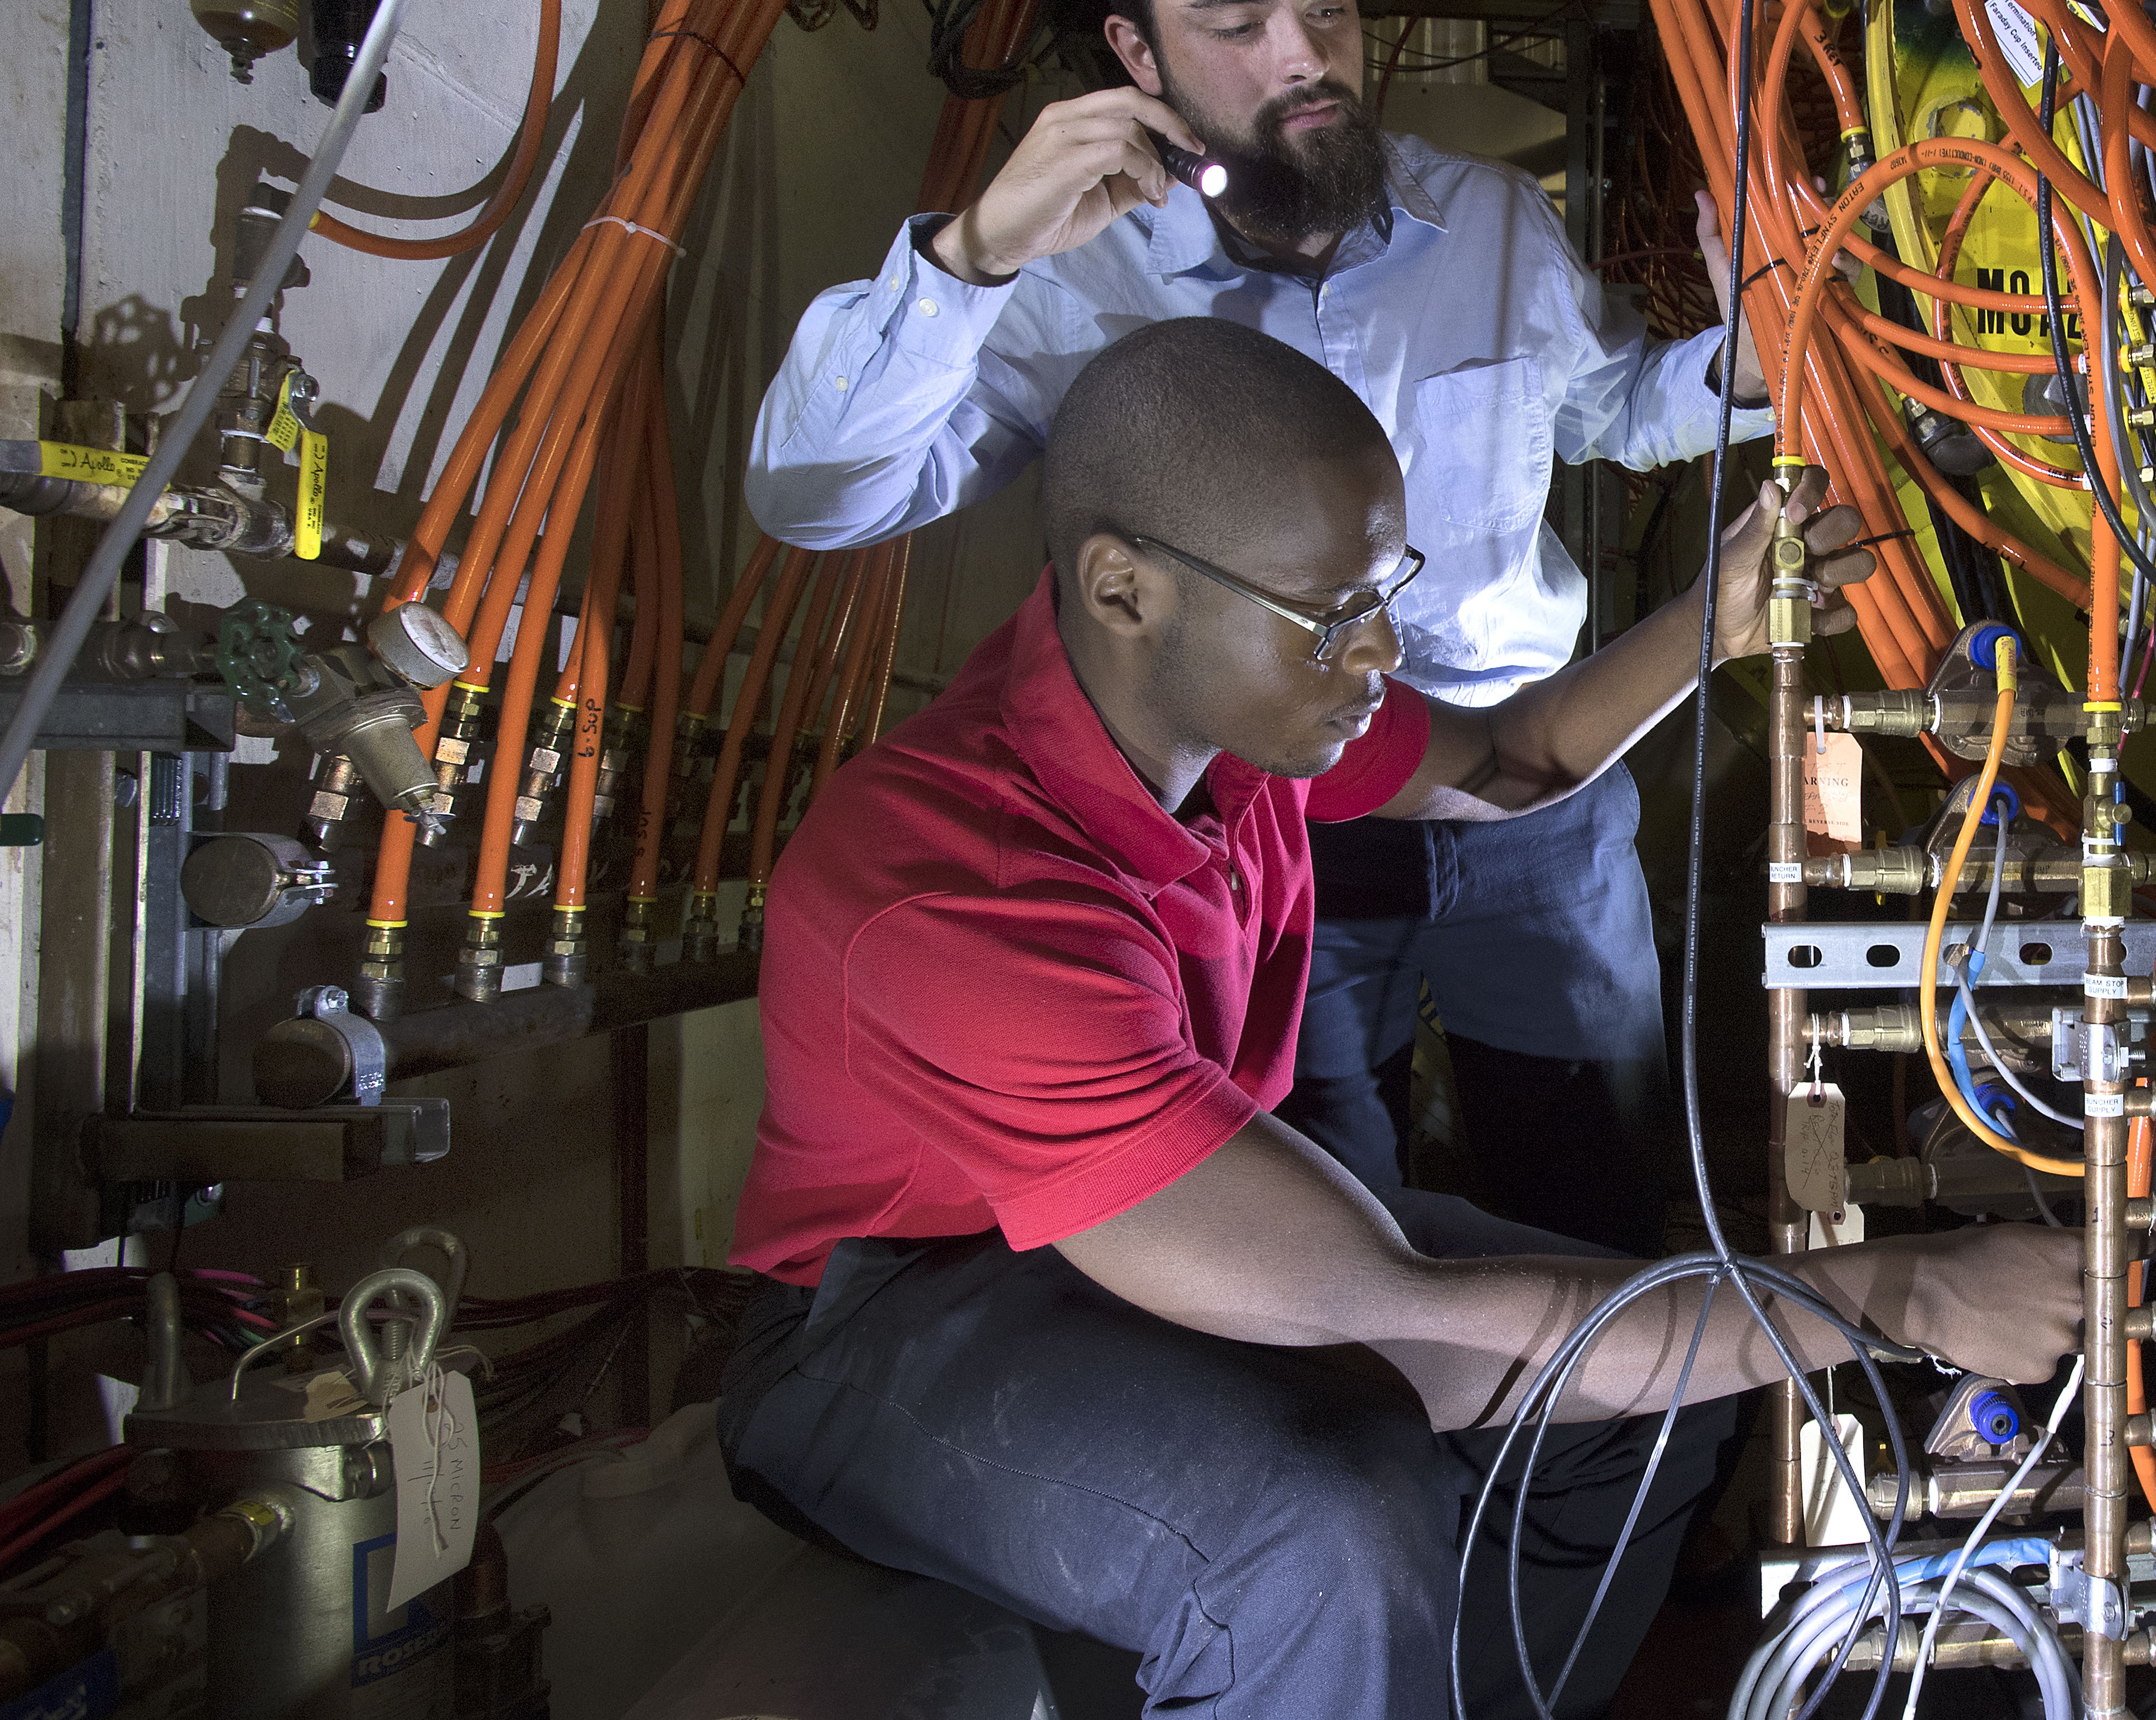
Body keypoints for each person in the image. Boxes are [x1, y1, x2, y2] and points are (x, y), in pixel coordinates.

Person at [718, 318, 2080, 1720]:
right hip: (890, 1312)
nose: (1381, 646)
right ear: (1125, 589)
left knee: (1657, 1405)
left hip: (1151, 1210)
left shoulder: (1246, 708)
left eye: (1384, 587)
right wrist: (1897, 1295)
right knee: (1322, 1520)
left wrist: (1709, 626)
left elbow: (1519, 757)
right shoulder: (965, 885)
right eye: (1331, 614)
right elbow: (1390, 1302)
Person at [747, 0, 1769, 1256]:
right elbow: (816, 496)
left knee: (1590, 1178)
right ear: (1134, 55)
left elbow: (1611, 409)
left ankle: (1592, 1474)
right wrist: (972, 261)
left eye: (1329, 8)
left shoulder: (1485, 219)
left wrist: (1750, 367)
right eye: (1237, 22)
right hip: (1267, 819)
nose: (1305, 59)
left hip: (1532, 778)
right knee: (1322, 1208)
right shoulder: (1074, 274)